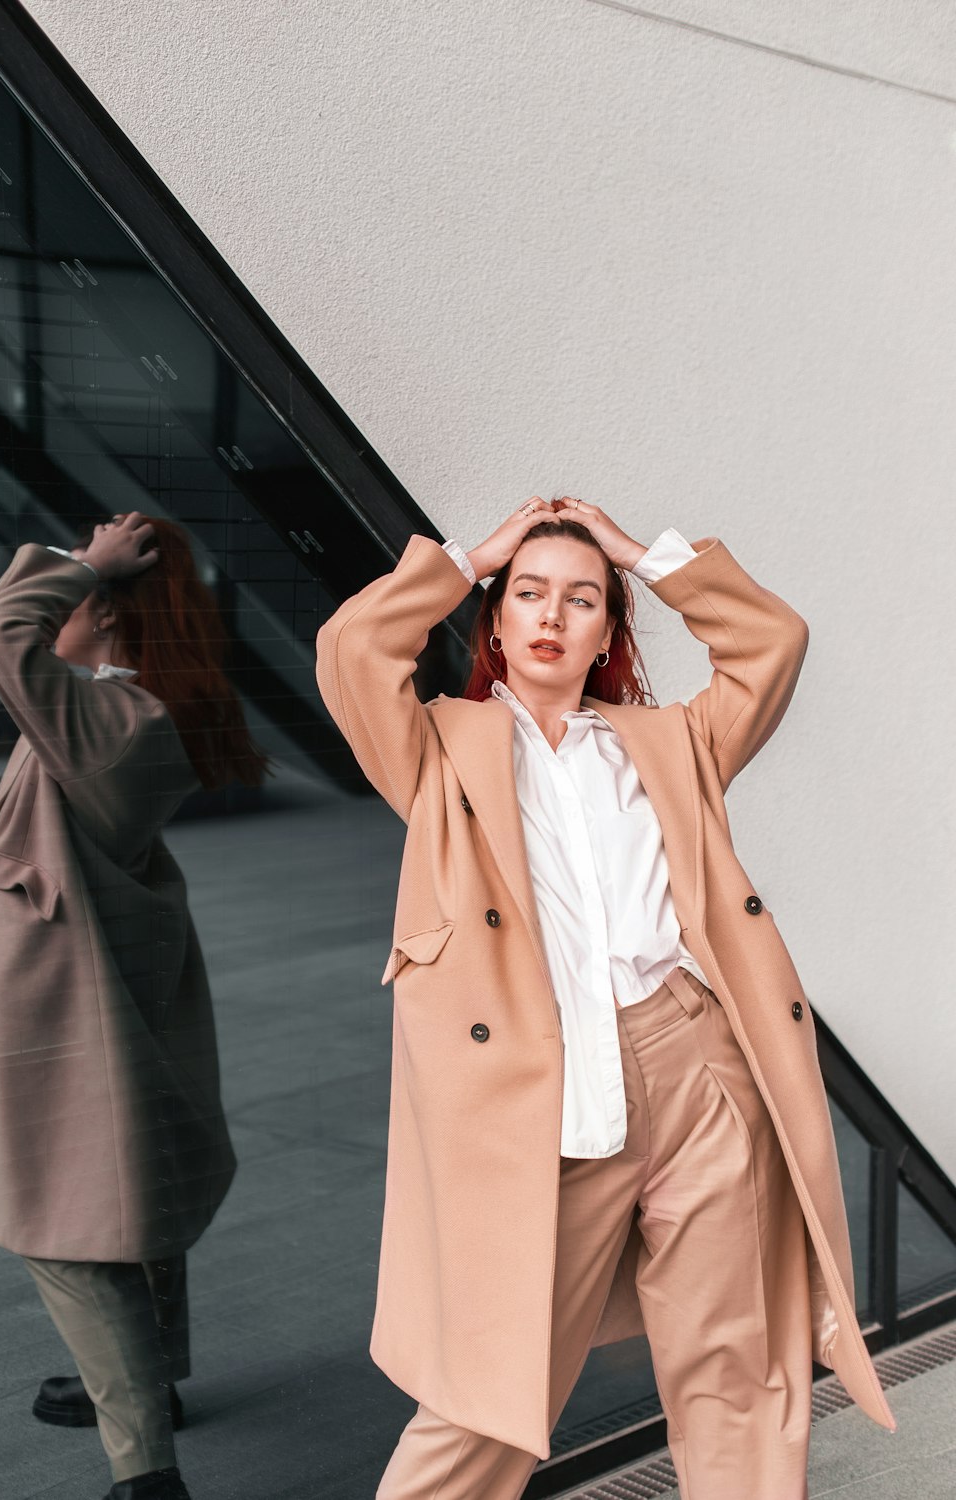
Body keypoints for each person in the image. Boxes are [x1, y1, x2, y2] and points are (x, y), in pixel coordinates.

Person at [315, 497, 896, 1500]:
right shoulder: (438, 749)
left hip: (696, 1068)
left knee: (738, 1371)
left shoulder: (666, 744)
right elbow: (353, 650)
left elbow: (770, 644)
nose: (550, 616)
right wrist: (472, 559)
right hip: (544, 1092)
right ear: (494, 624)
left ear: (607, 633)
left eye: (580, 601)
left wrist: (637, 554)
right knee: (489, 1394)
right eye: (528, 596)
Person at [0, 513, 267, 1500]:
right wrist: (92, 571)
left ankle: (143, 1468)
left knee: (65, 1224)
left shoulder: (104, 720)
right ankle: (151, 1382)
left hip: (58, 1004)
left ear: (95, 611)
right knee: (130, 1189)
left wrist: (85, 563)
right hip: (104, 977)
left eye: (81, 586)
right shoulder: (134, 709)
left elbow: (0, 626)